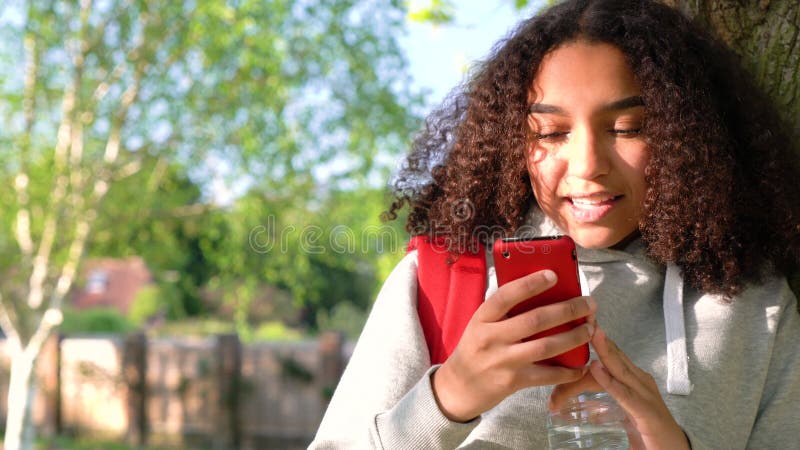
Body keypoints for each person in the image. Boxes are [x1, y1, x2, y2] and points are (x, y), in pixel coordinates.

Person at [310, 0, 800, 448]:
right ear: (512, 141)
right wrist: (447, 399)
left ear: (685, 133)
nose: (587, 165)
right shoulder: (439, 280)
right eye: (550, 132)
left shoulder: (756, 306)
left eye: (627, 128)